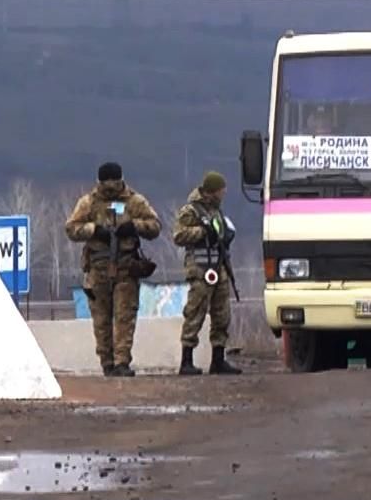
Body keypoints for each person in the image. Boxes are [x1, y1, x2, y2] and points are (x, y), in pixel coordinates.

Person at [64, 161, 163, 377]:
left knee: (124, 316)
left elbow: (155, 226)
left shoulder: (134, 202)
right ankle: (108, 362)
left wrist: (134, 226)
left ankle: (121, 362)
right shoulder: (89, 203)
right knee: (101, 318)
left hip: (126, 266)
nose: (110, 186)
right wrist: (93, 230)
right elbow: (71, 228)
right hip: (98, 267)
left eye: (113, 182)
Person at [172, 171, 242, 376]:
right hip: (200, 268)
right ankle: (186, 360)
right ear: (213, 190)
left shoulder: (217, 212)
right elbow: (178, 235)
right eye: (221, 190)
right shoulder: (192, 210)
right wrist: (203, 232)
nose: (224, 193)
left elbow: (221, 234)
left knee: (222, 315)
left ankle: (218, 360)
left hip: (219, 266)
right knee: (195, 313)